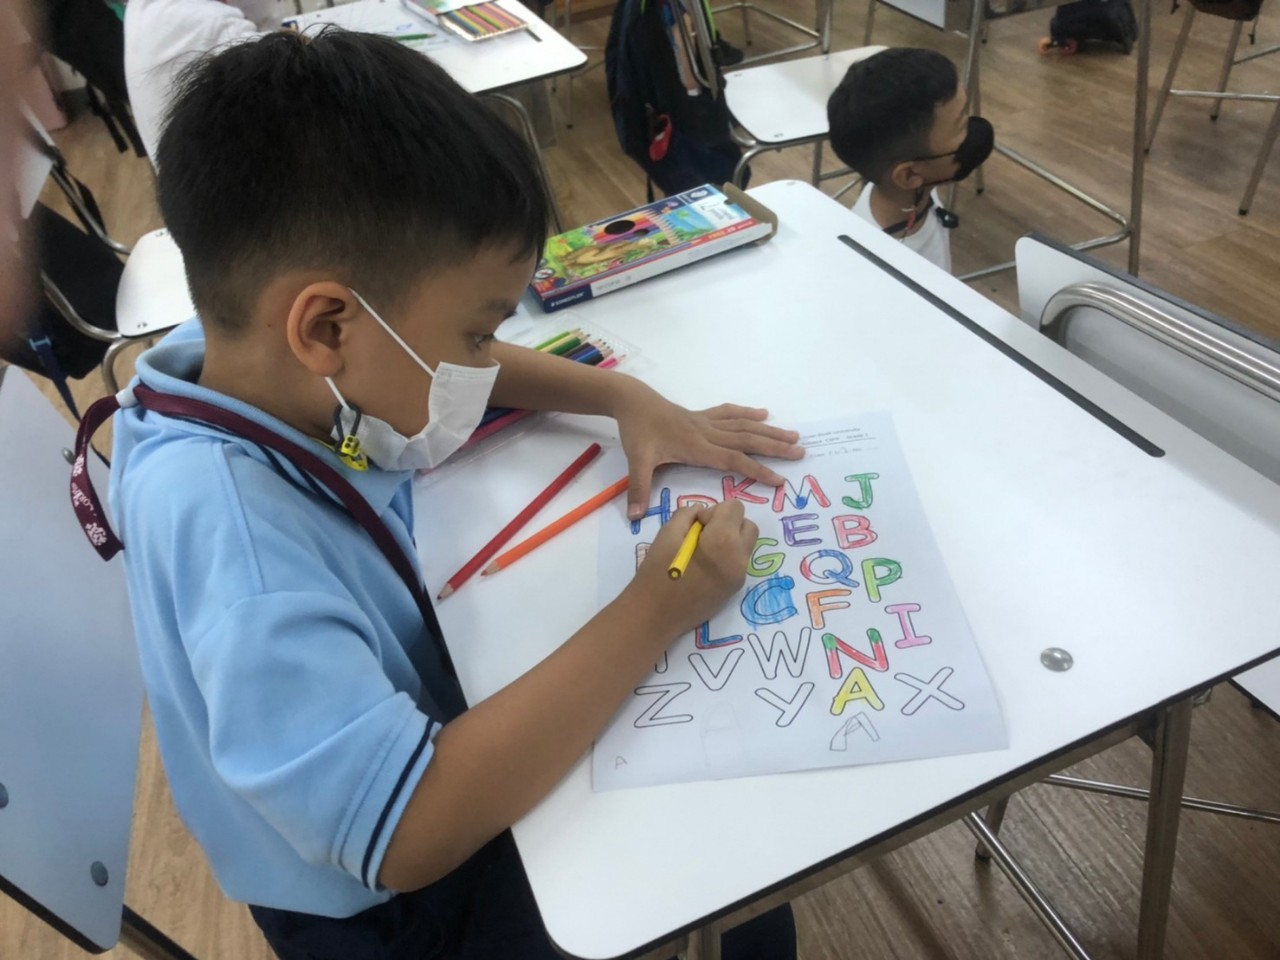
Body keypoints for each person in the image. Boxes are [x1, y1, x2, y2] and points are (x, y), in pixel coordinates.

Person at [90, 29, 804, 960]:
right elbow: (407, 831)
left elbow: (435, 357)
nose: (484, 358)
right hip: (389, 907)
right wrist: (657, 607)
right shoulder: (238, 540)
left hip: (410, 738)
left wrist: (621, 396)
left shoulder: (235, 355)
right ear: (326, 327)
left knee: (735, 862)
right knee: (733, 870)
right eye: (475, 335)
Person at [827, 47, 994, 273]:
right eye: (961, 127)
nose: (973, 130)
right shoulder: (885, 268)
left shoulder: (916, 192)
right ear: (909, 175)